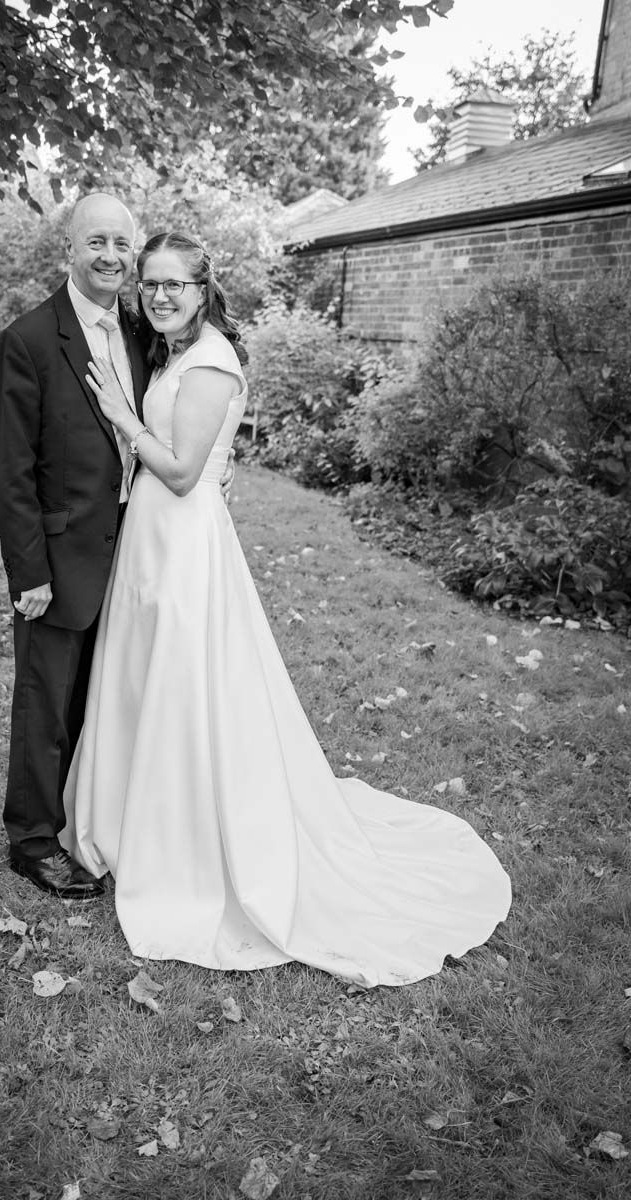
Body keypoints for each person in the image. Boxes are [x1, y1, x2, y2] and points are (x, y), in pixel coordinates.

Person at [60, 231, 511, 986]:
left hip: (183, 543)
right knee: (146, 679)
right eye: (151, 284)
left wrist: (122, 417)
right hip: (152, 540)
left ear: (203, 289)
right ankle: (137, 823)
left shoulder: (209, 361)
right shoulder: (175, 351)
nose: (161, 296)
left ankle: (188, 843)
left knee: (184, 686)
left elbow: (182, 472)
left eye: (175, 284)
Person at [0, 193, 150, 900]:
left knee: (102, 699)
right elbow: (10, 470)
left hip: (135, 552)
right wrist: (29, 571)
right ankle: (31, 840)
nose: (110, 256)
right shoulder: (28, 339)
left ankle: (88, 817)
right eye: (96, 242)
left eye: (121, 243)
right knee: (45, 704)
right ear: (70, 251)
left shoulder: (140, 331)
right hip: (57, 559)